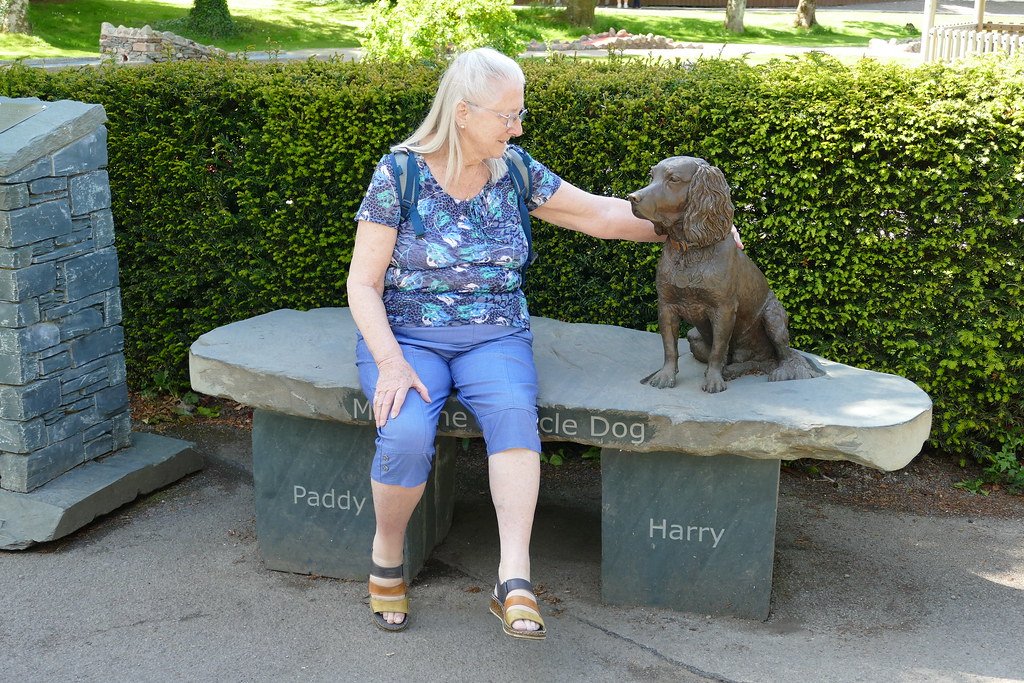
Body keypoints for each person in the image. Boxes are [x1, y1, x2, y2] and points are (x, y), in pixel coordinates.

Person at [347, 47, 705, 639]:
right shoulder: (399, 173)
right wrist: (389, 362)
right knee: (406, 433)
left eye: (520, 114)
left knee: (514, 418)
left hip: (496, 333)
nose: (517, 128)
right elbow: (363, 283)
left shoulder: (513, 168)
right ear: (463, 112)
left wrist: (691, 230)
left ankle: (513, 577)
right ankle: (387, 554)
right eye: (507, 116)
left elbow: (598, 216)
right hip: (407, 336)